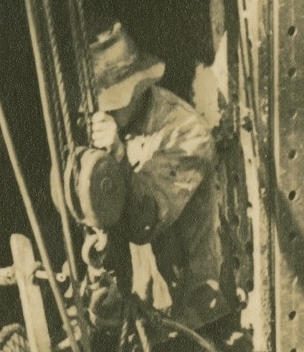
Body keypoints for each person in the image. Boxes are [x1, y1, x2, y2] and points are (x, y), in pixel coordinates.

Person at [83, 21, 228, 325]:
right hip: (145, 308)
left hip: (193, 314)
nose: (102, 115)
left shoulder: (187, 134)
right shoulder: (121, 126)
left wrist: (118, 155)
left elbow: (144, 222)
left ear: (137, 90)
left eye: (111, 105)